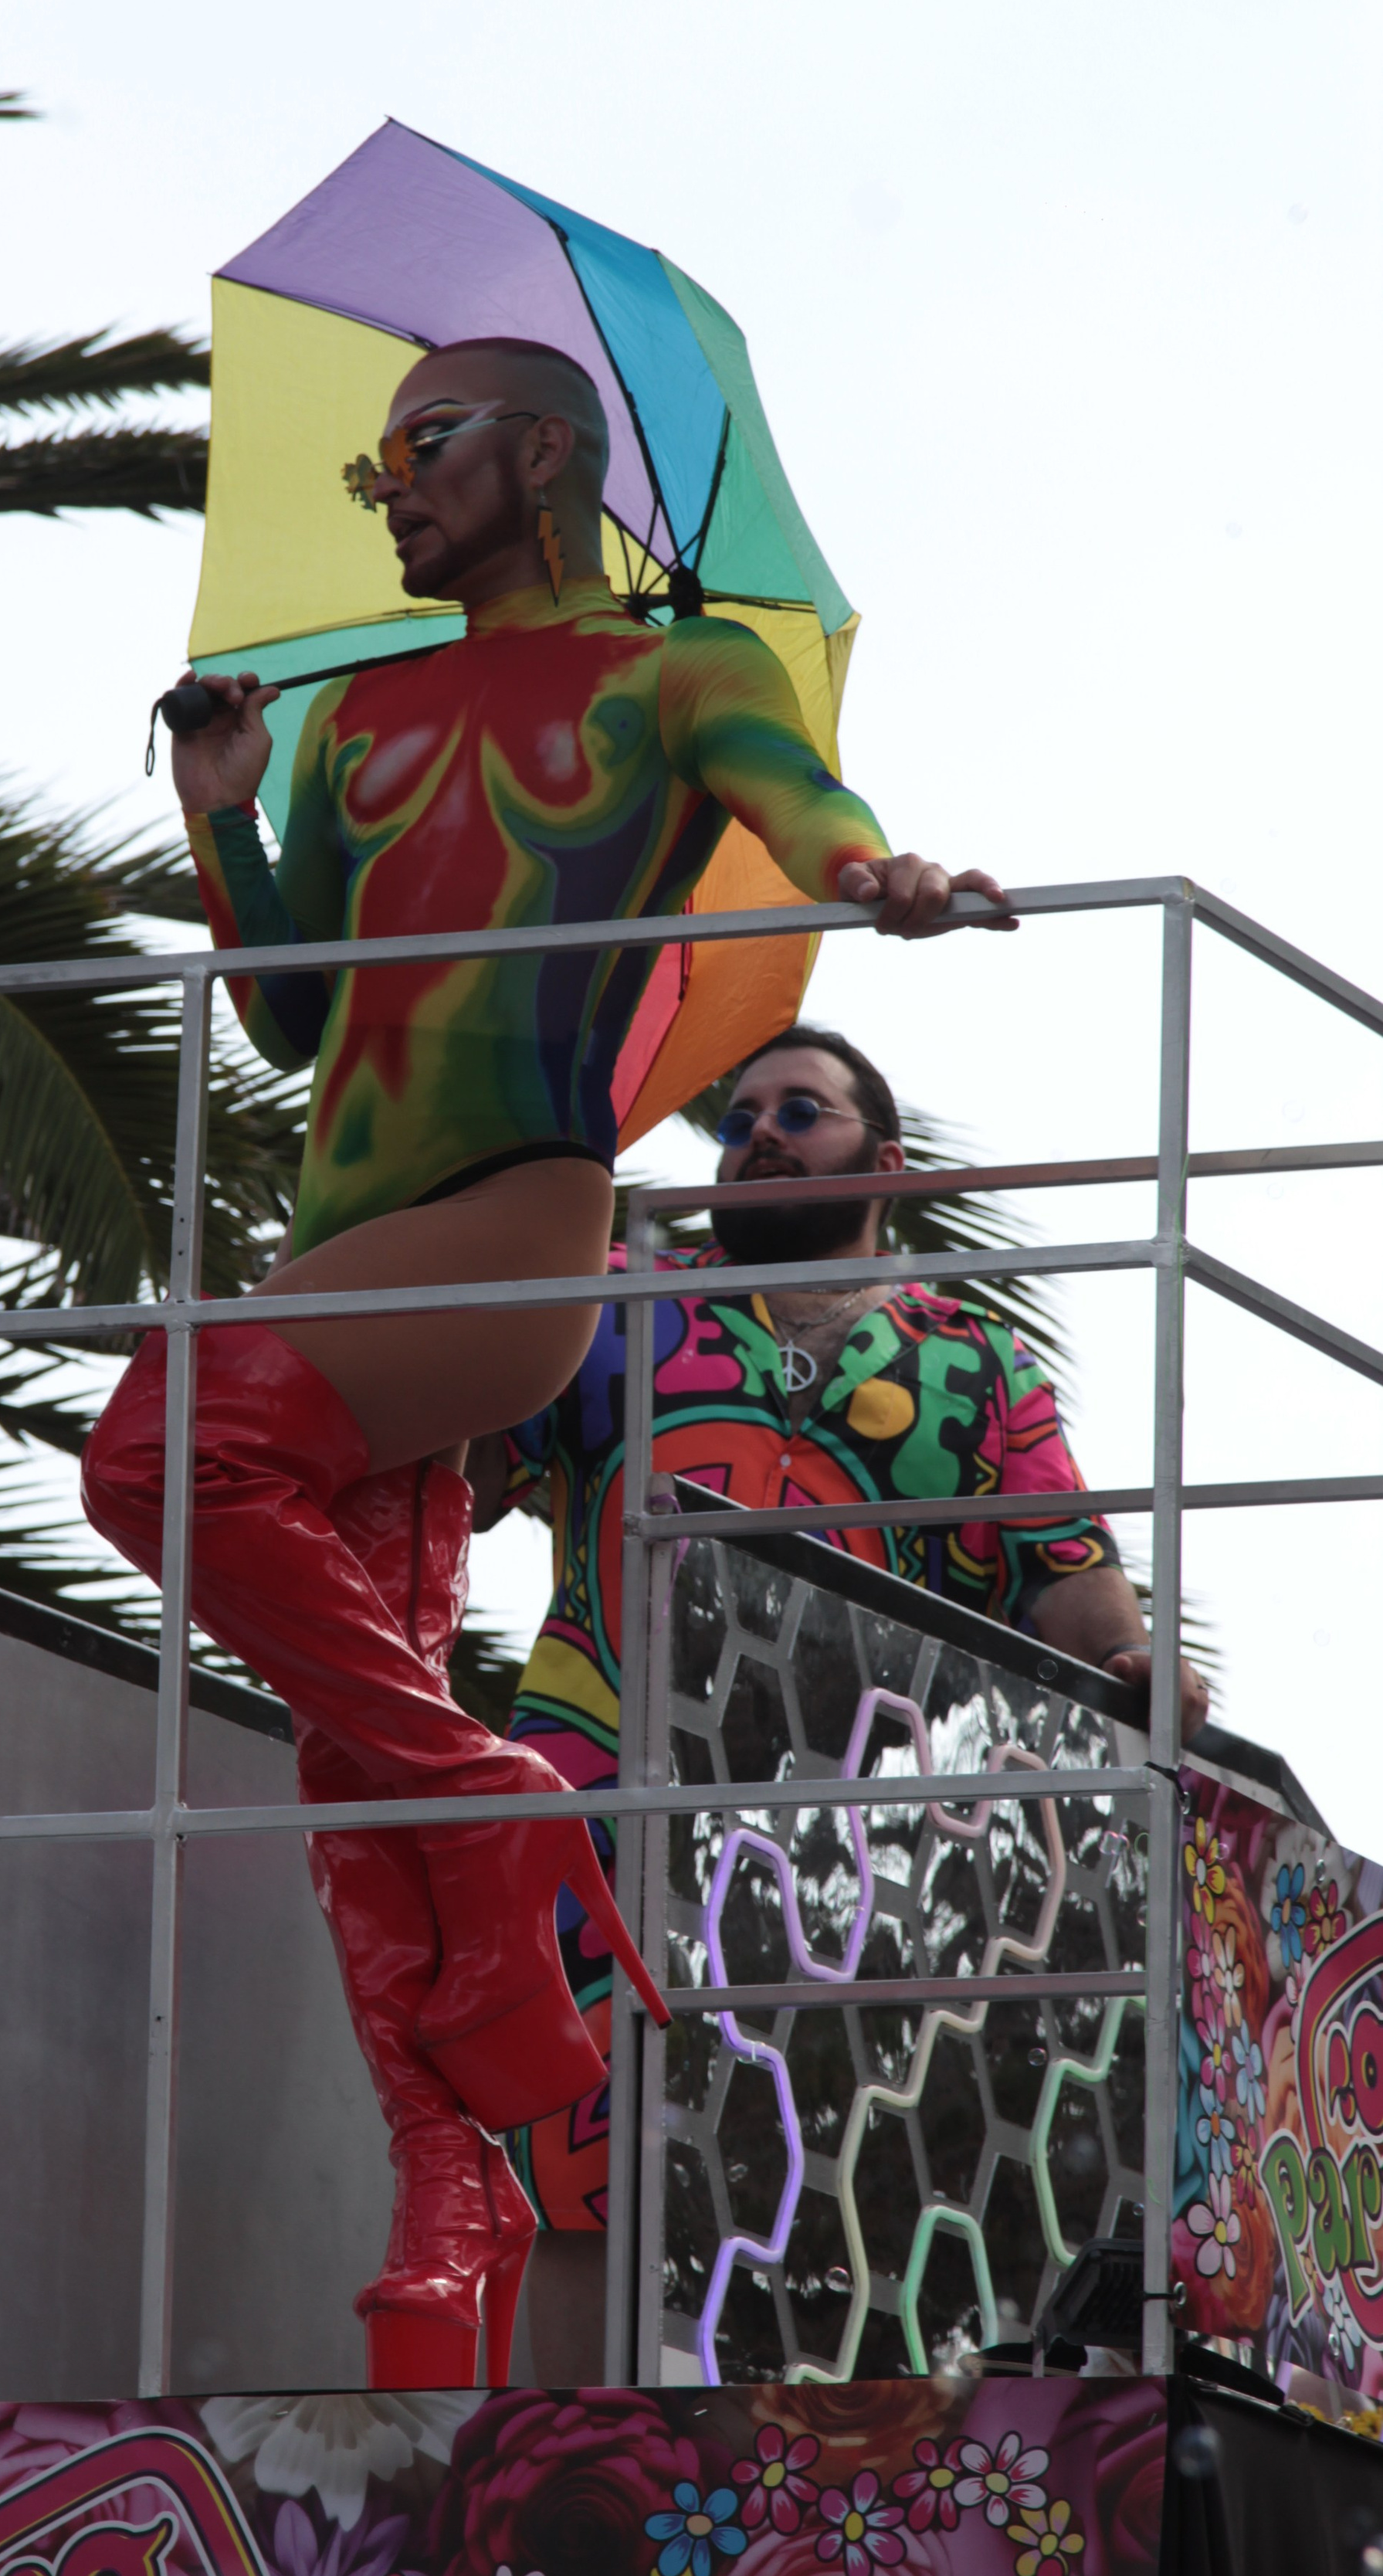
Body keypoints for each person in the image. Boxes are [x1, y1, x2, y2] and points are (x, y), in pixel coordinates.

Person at [79, 334, 1012, 2389]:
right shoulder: (356, 714)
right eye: (380, 462)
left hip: (506, 1222)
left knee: (153, 1458)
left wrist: (877, 876)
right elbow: (294, 1016)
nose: (392, 487)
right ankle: (454, 2199)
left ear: (549, 456)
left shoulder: (676, 676)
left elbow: (796, 801)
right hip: (344, 1248)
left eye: (426, 445)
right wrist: (225, 819)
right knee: (352, 1767)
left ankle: (496, 1793)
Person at [467, 1020, 1208, 2381]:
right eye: (739, 1117)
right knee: (574, 2156)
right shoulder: (612, 1303)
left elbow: (1072, 1588)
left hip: (866, 1850)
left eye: (800, 1111)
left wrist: (1141, 1665)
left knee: (847, 2167)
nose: (758, 1131)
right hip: (596, 1801)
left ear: (889, 1161)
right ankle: (571, 2445)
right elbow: (451, 1472)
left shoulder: (977, 1365)